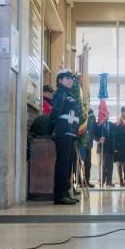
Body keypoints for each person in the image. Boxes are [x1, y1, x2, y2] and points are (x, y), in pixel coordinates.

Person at [50, 69, 81, 204]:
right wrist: (51, 129)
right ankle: (60, 195)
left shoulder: (69, 94)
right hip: (63, 132)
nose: (70, 81)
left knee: (68, 164)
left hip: (71, 133)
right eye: (67, 78)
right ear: (60, 80)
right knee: (63, 164)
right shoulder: (60, 93)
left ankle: (65, 192)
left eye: (71, 78)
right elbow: (55, 112)